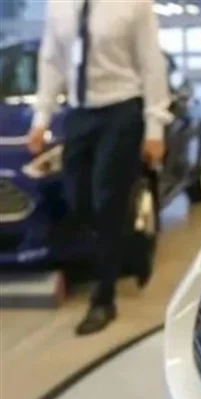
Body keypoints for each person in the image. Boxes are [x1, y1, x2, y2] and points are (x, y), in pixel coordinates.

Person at [27, 0, 171, 336]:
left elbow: (152, 63)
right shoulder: (58, 5)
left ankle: (103, 299)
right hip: (79, 113)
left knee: (108, 200)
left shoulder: (133, 4)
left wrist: (155, 128)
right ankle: (131, 246)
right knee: (77, 198)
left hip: (122, 109)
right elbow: (51, 60)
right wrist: (41, 118)